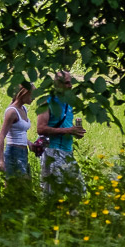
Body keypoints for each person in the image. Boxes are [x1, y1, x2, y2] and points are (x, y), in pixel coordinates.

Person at [36, 70, 86, 199]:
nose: (70, 86)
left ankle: (71, 217)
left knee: (79, 191)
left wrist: (76, 132)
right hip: (52, 151)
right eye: (67, 83)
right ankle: (50, 217)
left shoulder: (69, 102)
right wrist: (68, 131)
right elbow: (40, 128)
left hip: (68, 152)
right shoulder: (47, 102)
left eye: (71, 83)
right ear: (58, 84)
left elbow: (67, 126)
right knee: (52, 194)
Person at [0, 83, 35, 181]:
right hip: (13, 152)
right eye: (32, 94)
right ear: (24, 93)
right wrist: (1, 160)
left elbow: (19, 132)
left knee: (22, 186)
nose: (34, 98)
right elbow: (1, 136)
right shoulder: (12, 112)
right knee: (15, 185)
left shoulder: (23, 109)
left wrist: (29, 143)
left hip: (23, 152)